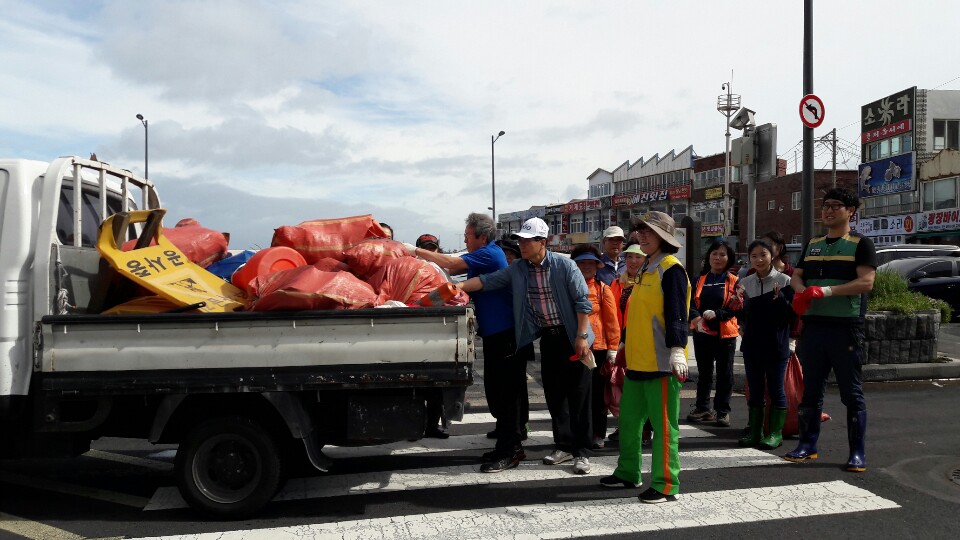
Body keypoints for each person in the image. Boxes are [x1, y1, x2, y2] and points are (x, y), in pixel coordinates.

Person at [458, 217, 596, 475]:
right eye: (520, 240)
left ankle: (582, 452)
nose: (521, 244)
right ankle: (564, 446)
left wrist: (581, 337)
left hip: (573, 335)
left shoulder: (565, 266)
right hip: (550, 338)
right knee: (555, 396)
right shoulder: (520, 268)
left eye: (527, 240)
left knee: (578, 396)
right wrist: (456, 286)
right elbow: (489, 281)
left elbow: (582, 303)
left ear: (542, 242)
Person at [404, 214, 531, 472]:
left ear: (481, 237)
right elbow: (450, 270)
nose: (464, 240)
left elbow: (450, 261)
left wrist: (413, 250)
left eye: (467, 236)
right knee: (498, 393)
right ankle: (507, 445)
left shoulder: (490, 254)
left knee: (507, 396)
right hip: (496, 336)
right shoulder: (484, 255)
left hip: (506, 336)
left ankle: (510, 451)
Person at [600, 211, 689, 504]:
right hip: (637, 361)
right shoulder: (646, 269)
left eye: (649, 231)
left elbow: (677, 313)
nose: (643, 236)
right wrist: (623, 345)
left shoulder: (670, 269)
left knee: (664, 427)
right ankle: (628, 472)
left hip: (661, 364)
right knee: (628, 422)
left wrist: (678, 349)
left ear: (665, 236)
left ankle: (665, 485)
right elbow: (636, 314)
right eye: (640, 231)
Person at [785, 187, 876, 472]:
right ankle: (807, 445)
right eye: (825, 206)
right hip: (813, 327)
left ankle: (857, 453)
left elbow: (866, 283)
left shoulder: (860, 243)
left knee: (851, 392)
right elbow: (796, 277)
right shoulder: (813, 244)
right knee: (810, 390)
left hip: (845, 328)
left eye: (836, 206)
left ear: (851, 211)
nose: (828, 210)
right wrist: (801, 292)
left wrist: (825, 291)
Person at [735, 239, 795, 449]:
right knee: (756, 389)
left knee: (777, 388)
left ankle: (775, 433)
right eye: (754, 256)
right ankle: (755, 432)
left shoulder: (786, 280)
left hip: (776, 345)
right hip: (752, 345)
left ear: (772, 256)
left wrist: (780, 300)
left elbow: (791, 315)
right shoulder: (745, 283)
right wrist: (737, 310)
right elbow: (741, 314)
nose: (759, 259)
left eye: (763, 255)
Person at [570, 245, 620, 449]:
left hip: (597, 349)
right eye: (581, 263)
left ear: (597, 266)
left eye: (590, 263)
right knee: (575, 395)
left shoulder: (602, 289)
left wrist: (613, 348)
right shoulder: (567, 287)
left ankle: (598, 433)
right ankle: (578, 433)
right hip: (573, 347)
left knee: (598, 396)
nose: (586, 267)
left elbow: (612, 321)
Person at [687, 240, 740, 427]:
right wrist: (696, 318)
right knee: (704, 373)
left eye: (723, 255)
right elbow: (690, 303)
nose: (718, 258)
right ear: (708, 256)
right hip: (702, 333)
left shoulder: (734, 280)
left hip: (725, 334)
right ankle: (703, 408)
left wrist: (718, 314)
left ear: (729, 259)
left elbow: (737, 307)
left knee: (725, 374)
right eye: (715, 253)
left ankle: (722, 411)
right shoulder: (698, 279)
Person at [411, 233, 452, 439]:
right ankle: (414, 426)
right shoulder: (408, 267)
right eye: (425, 248)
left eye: (433, 248)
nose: (430, 252)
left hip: (437, 331)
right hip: (413, 332)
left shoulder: (441, 271)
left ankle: (432, 426)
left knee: (437, 383)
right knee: (414, 384)